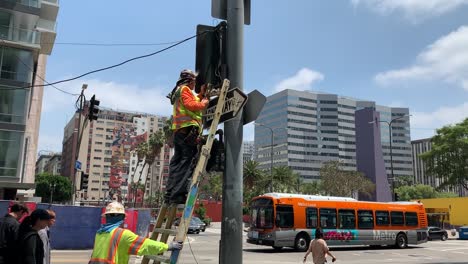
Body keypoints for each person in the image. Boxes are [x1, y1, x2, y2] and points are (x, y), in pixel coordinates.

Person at [165, 69, 209, 204]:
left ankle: (170, 193)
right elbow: (191, 104)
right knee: (186, 163)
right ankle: (178, 195)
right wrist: (204, 103)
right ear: (190, 81)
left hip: (179, 132)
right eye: (194, 81)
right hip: (187, 131)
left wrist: (201, 95)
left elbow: (191, 100)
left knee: (176, 163)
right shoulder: (184, 89)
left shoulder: (179, 90)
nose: (195, 84)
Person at [89, 201, 182, 264]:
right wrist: (167, 246)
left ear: (106, 217)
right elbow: (146, 245)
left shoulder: (100, 233)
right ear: (122, 217)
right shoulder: (122, 234)